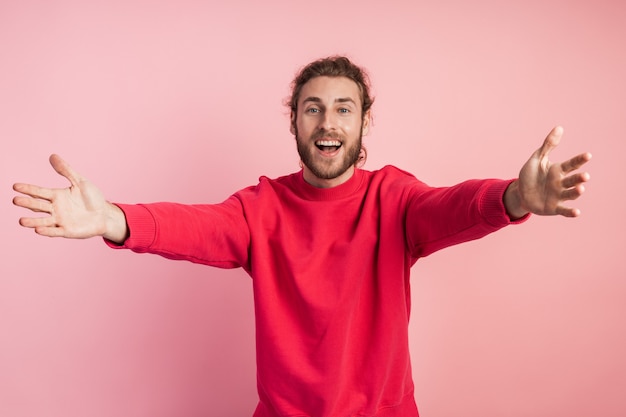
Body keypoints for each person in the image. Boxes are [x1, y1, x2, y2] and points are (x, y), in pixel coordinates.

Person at [13, 56, 591, 417]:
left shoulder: (393, 199)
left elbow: (452, 207)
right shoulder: (261, 208)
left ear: (364, 123)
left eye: (344, 108)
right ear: (295, 122)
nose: (328, 121)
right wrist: (114, 217)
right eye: (313, 109)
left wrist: (513, 198)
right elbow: (196, 226)